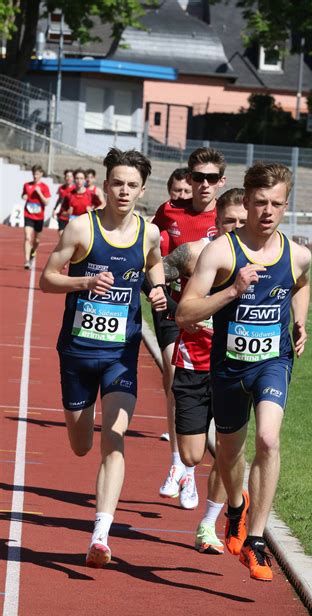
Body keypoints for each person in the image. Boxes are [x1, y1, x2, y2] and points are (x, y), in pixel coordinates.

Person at [176, 163, 311, 581]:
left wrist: (300, 323)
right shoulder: (221, 252)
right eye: (259, 203)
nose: (267, 212)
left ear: (286, 205)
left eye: (276, 204)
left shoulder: (298, 253)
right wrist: (233, 290)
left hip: (273, 361)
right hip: (229, 367)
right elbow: (185, 311)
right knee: (230, 452)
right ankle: (236, 508)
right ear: (246, 201)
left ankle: (255, 541)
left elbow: (301, 282)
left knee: (269, 438)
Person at [39, 148, 167, 569]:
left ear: (142, 189)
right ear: (105, 185)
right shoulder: (81, 228)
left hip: (120, 355)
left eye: (132, 185)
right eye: (117, 183)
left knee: (114, 438)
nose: (124, 191)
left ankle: (100, 534)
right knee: (81, 445)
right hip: (77, 353)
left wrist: (158, 288)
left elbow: (154, 265)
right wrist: (84, 281)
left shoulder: (148, 234)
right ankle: (81, 424)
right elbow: (48, 279)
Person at [163, 188, 247, 552]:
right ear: (217, 220)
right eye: (231, 221)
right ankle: (195, 477)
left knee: (228, 449)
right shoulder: (194, 253)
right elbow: (154, 276)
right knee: (193, 455)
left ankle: (210, 524)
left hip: (232, 366)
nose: (237, 227)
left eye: (243, 222)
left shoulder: (259, 260)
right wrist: (174, 308)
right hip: (193, 362)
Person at [150, 148, 226, 508]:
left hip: (213, 317)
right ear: (189, 179)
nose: (205, 184)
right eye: (199, 178)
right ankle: (177, 463)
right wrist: (155, 288)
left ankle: (189, 469)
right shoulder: (169, 212)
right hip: (174, 310)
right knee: (172, 373)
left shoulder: (228, 216)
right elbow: (153, 255)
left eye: (212, 178)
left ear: (221, 182)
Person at [21, 164, 51, 269]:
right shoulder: (27, 185)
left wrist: (39, 193)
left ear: (41, 174)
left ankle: (33, 251)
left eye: (37, 174)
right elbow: (23, 194)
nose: (35, 176)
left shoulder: (44, 187)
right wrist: (24, 196)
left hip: (39, 217)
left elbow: (46, 202)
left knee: (37, 241)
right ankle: (27, 261)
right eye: (33, 174)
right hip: (28, 215)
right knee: (27, 237)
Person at [53, 169, 75, 236]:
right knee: (62, 235)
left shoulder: (76, 189)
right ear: (65, 177)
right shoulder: (61, 188)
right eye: (67, 176)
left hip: (73, 216)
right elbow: (59, 199)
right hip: (62, 216)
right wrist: (54, 209)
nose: (68, 178)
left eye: (70, 176)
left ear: (73, 178)